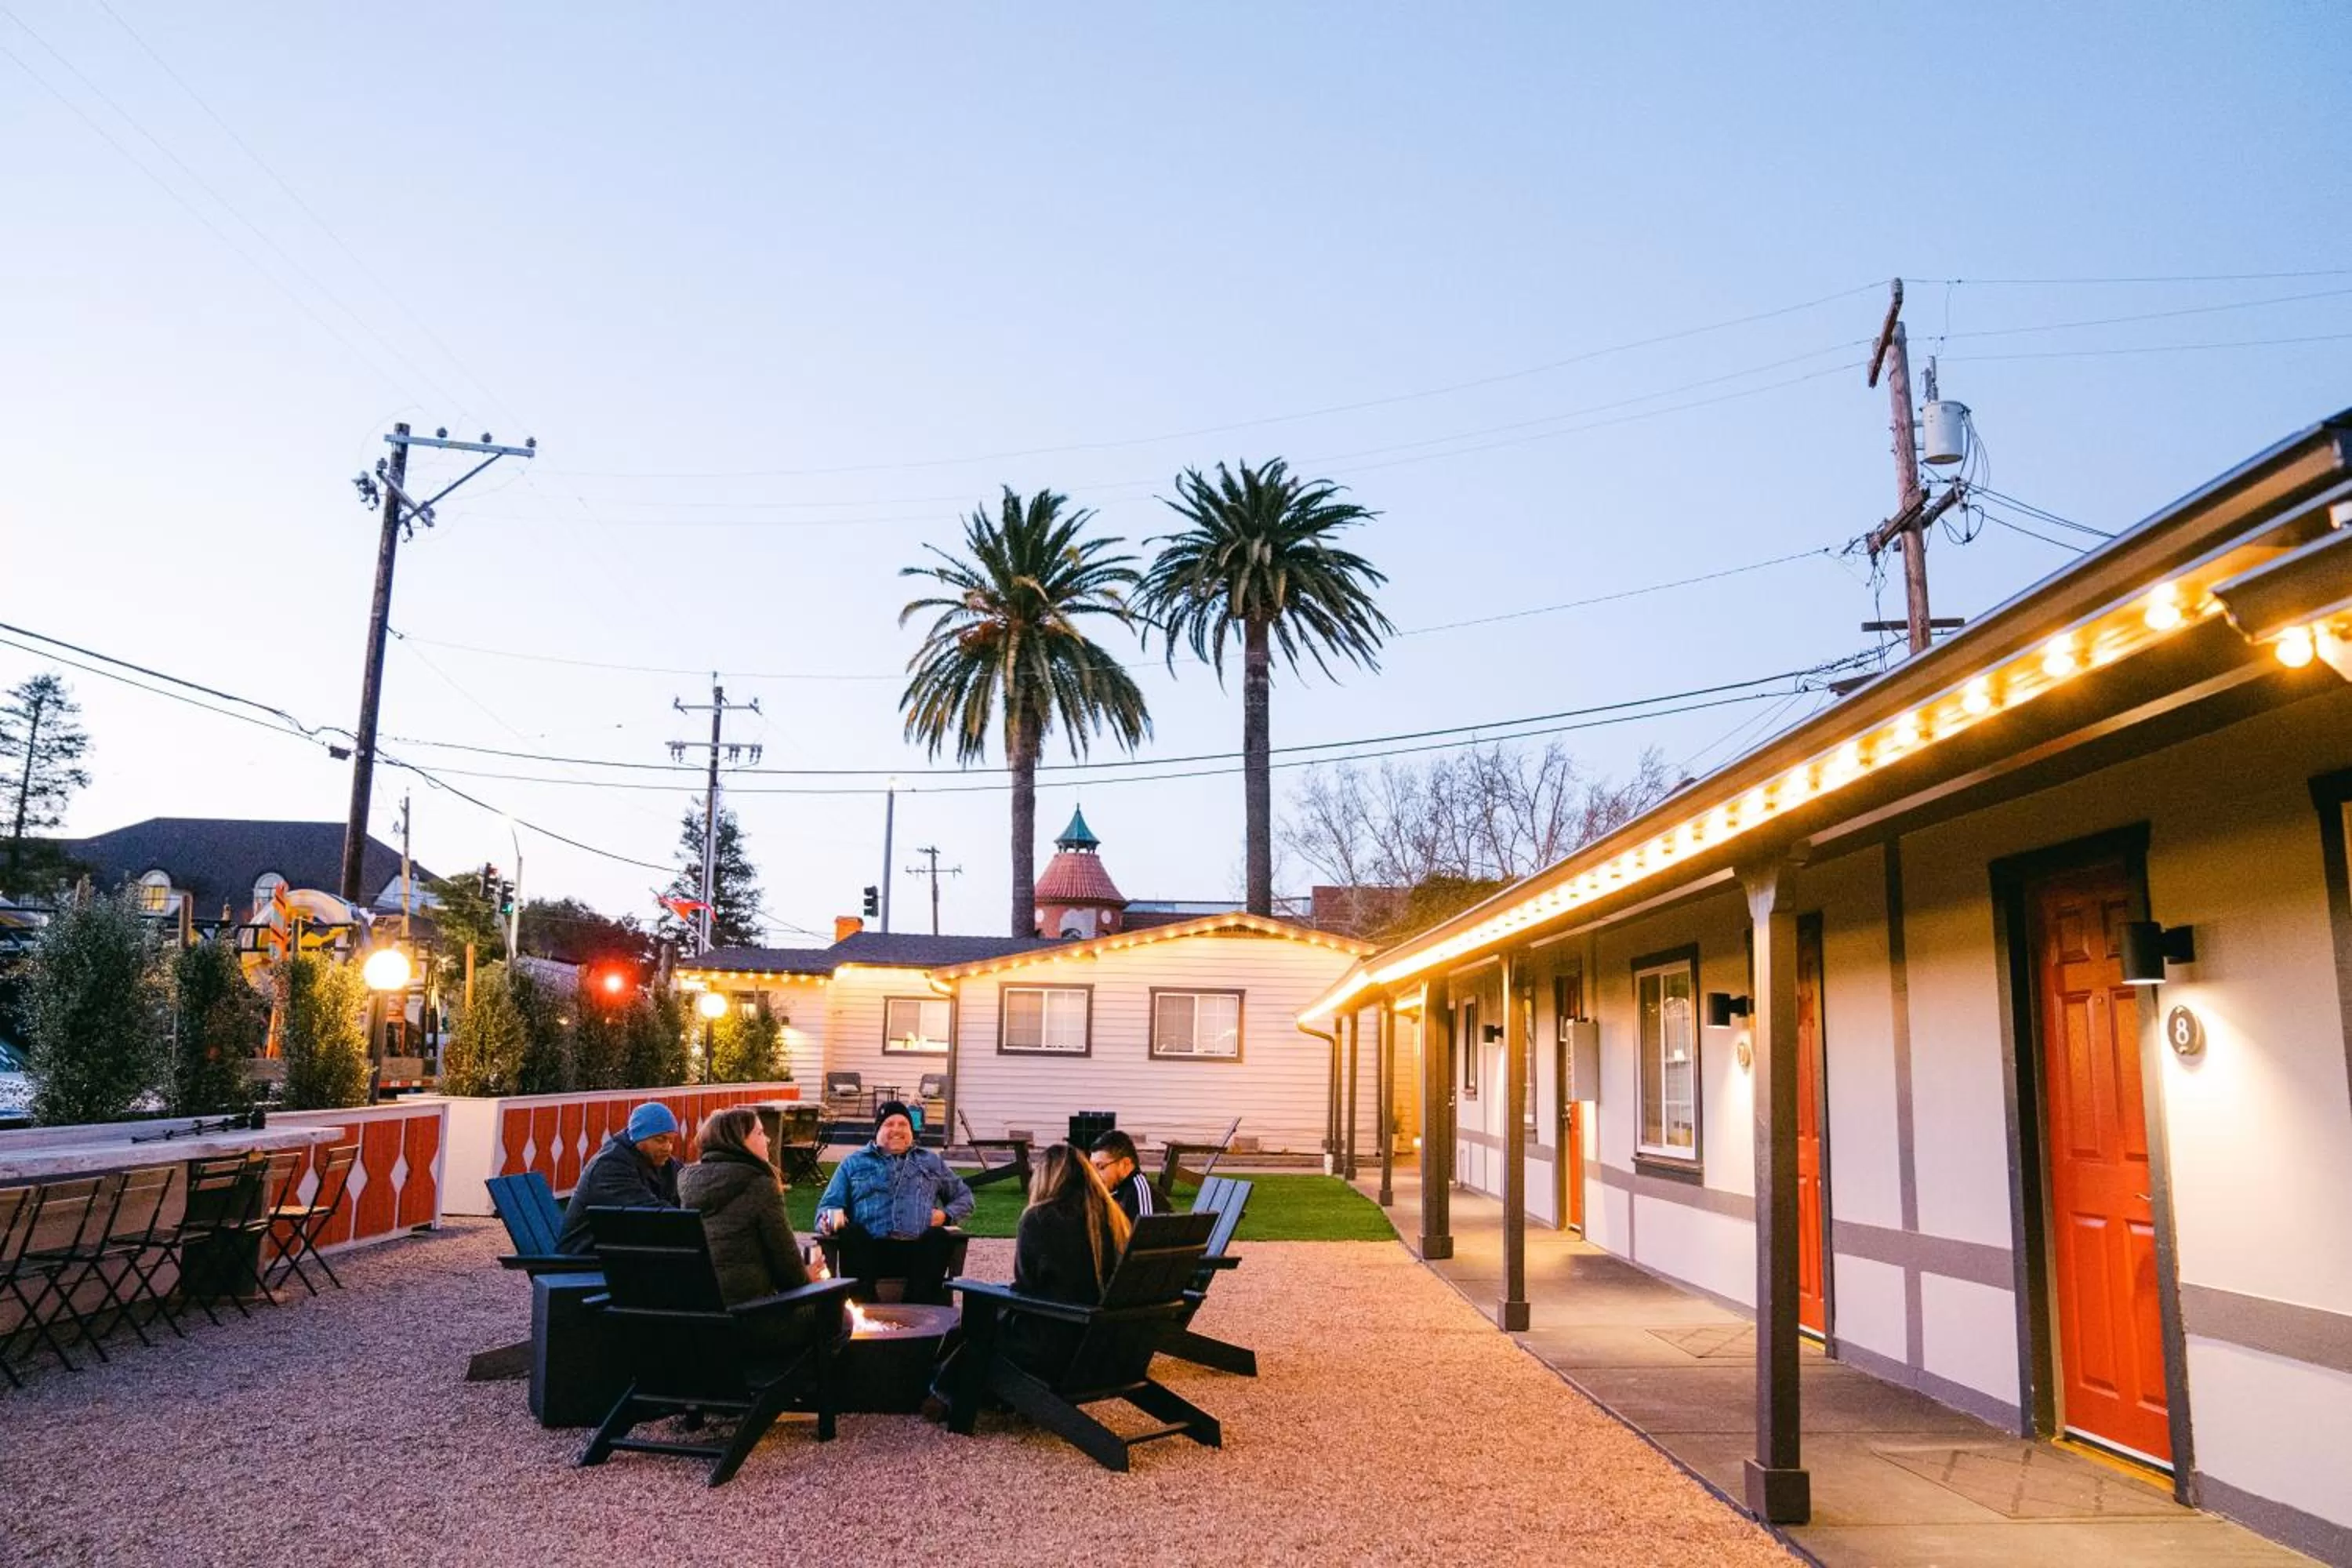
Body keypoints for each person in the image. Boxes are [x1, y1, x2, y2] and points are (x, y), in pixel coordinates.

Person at [680, 1105, 822, 1357]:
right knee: (838, 1315)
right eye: (759, 1133)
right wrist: (810, 1275)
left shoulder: (689, 1185)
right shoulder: (759, 1185)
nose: (768, 1140)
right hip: (752, 1321)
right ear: (738, 1141)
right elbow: (791, 1278)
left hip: (701, 1323)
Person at [815, 1100, 974, 1304]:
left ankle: (917, 1309)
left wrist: (946, 1215)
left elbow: (965, 1197)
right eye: (889, 1124)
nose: (897, 1130)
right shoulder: (853, 1163)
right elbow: (827, 1207)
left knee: (938, 1237)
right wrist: (827, 1221)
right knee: (852, 1233)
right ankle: (866, 1307)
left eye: (903, 1124)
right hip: (869, 1251)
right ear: (877, 1131)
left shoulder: (931, 1162)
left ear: (911, 1132)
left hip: (918, 1253)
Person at [1002, 1142, 1131, 1377]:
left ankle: (944, 1389)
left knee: (974, 1328)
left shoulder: (1039, 1218)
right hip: (1105, 1346)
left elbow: (1025, 1286)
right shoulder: (1113, 1217)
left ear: (1044, 1178)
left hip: (1053, 1346)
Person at [555, 1101, 681, 1254]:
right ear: (639, 1137)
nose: (668, 1148)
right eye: (660, 1140)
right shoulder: (610, 1166)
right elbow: (648, 1213)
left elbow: (685, 1195)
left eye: (671, 1140)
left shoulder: (663, 1163)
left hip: (622, 1251)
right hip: (584, 1257)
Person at [1087, 1130, 1170, 1223]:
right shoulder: (1113, 1191)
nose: (1094, 1175)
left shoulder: (1139, 1194)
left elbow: (1147, 1231)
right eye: (1092, 1169)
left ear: (1125, 1164)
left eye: (1101, 1167)